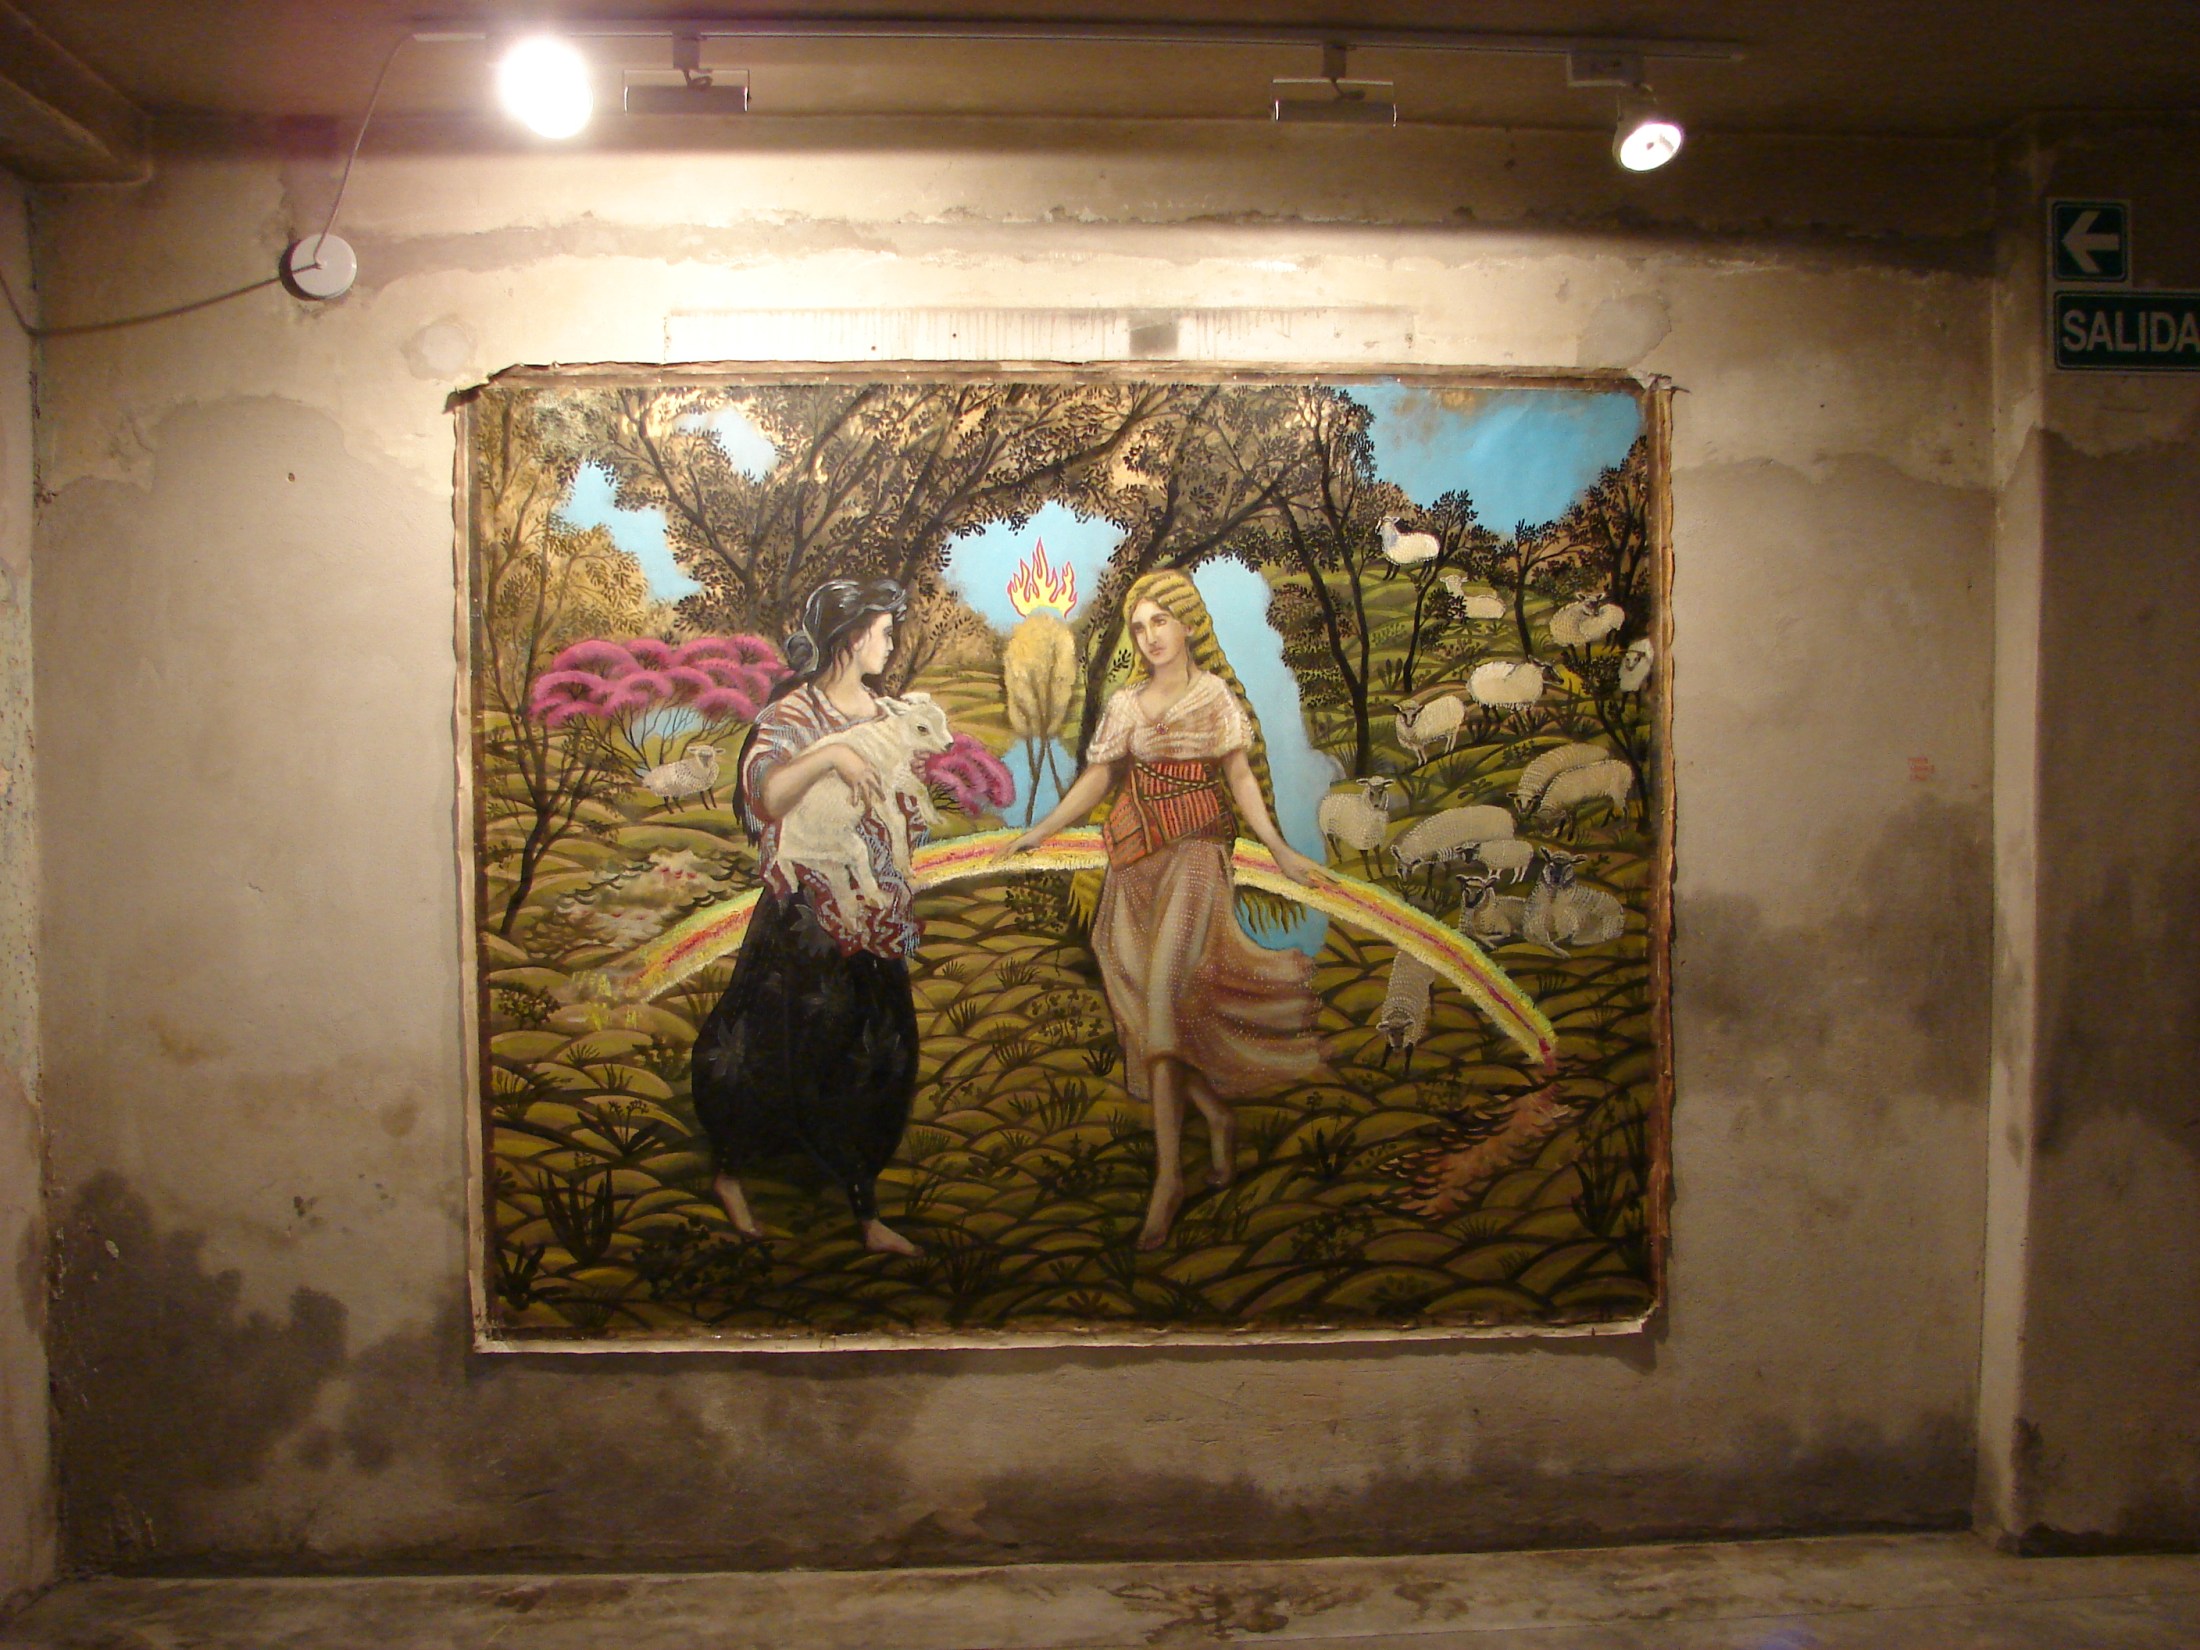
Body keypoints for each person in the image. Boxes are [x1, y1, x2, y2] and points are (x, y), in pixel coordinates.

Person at [1005, 569, 1329, 1249]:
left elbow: (1238, 776)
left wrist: (1280, 848)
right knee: (1138, 996)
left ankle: (1168, 1179)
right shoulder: (1126, 704)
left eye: (1160, 621)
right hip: (1135, 863)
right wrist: (1042, 830)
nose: (1150, 636)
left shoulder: (1213, 697)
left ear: (1188, 624)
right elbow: (1099, 779)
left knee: (1162, 998)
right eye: (1139, 626)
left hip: (1196, 858)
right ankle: (1215, 1117)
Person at [691, 578, 926, 1257]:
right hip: (806, 915)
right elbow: (767, 799)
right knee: (773, 1048)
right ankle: (731, 1174)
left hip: (873, 907)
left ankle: (864, 1209)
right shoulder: (794, 714)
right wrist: (829, 754)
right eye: (883, 633)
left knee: (884, 1053)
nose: (891, 645)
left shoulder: (884, 711)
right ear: (849, 639)